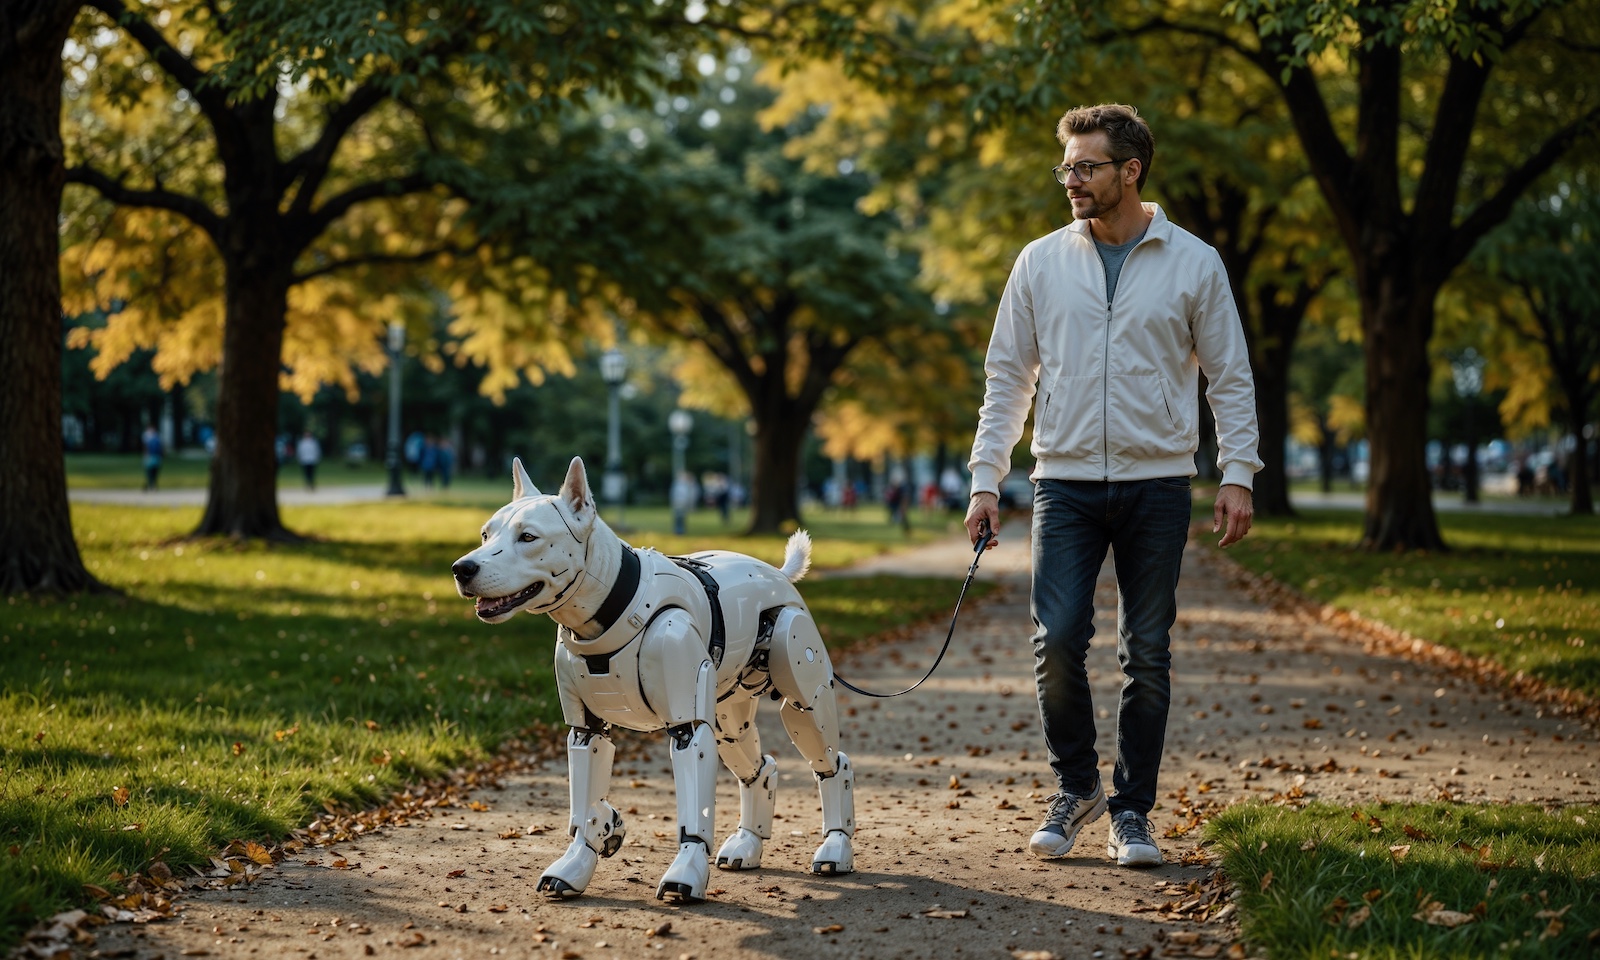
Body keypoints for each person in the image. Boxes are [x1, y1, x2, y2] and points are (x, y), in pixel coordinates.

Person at [963, 103, 1260, 869]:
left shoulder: (1195, 262)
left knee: (1146, 653)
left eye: (1085, 166)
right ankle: (1076, 784)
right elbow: (1007, 377)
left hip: (1158, 485)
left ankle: (1132, 810)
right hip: (1063, 481)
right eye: (1066, 166)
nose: (1071, 180)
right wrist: (985, 480)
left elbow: (1229, 375)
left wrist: (1237, 473)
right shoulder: (1039, 262)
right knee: (1056, 640)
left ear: (1130, 171)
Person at [141, 425, 163, 492]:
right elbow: (146, 449)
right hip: (151, 457)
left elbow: (160, 448)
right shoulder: (147, 438)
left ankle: (151, 485)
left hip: (155, 457)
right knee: (149, 472)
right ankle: (150, 485)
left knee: (154, 472)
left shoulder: (156, 438)